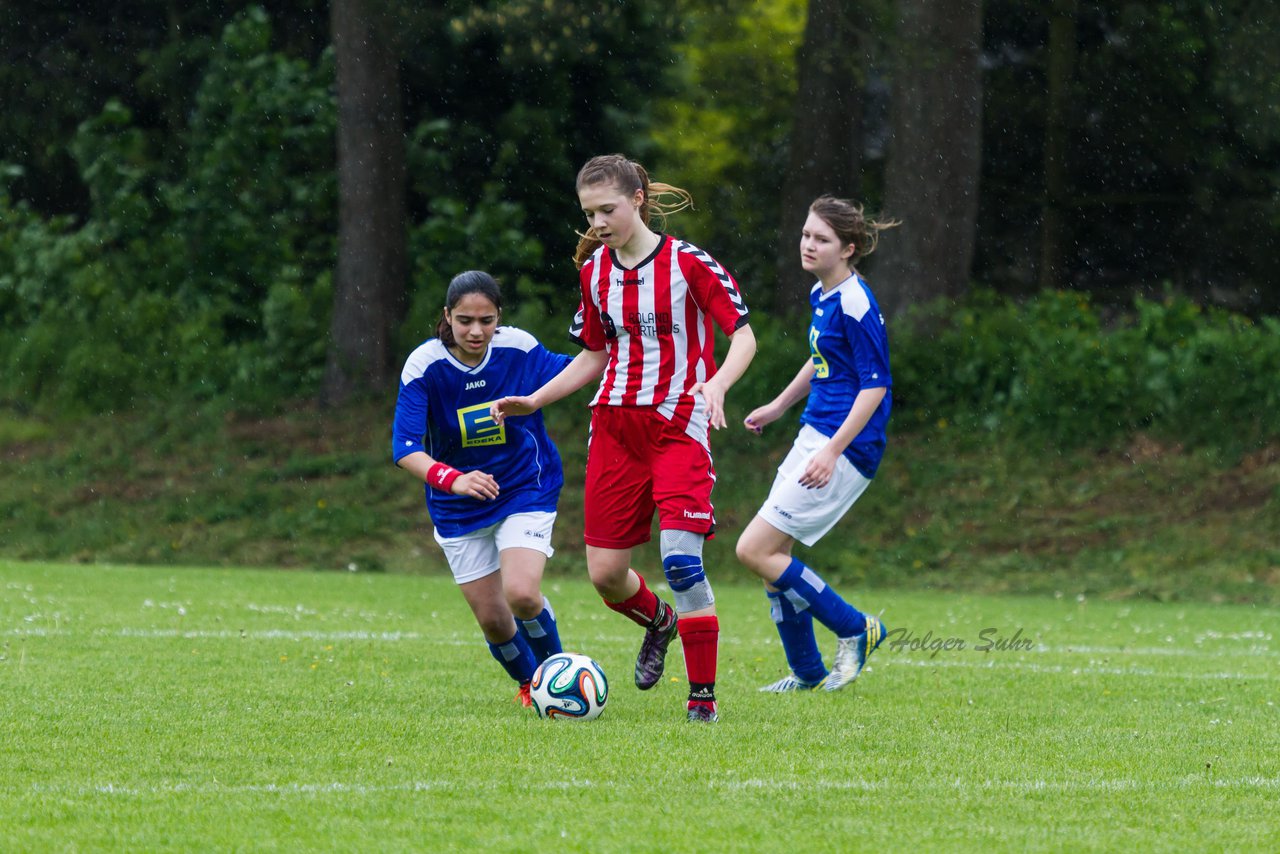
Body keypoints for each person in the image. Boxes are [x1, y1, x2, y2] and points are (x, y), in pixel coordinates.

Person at [491, 154, 756, 723]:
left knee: (681, 561)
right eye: (589, 214)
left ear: (638, 198)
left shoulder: (689, 264)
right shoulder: (595, 274)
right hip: (614, 427)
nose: (598, 223)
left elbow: (743, 336)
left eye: (607, 209)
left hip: (678, 423)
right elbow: (594, 353)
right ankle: (659, 623)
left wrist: (718, 383)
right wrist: (536, 399)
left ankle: (701, 701)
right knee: (606, 576)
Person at [735, 195, 896, 693]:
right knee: (773, 557)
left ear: (848, 248)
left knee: (755, 550)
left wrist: (832, 452)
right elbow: (822, 358)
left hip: (845, 444)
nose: (808, 244)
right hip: (816, 431)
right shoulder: (823, 292)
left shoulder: (855, 301)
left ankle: (856, 627)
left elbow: (875, 385)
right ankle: (807, 673)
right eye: (806, 234)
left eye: (821, 239)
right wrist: (780, 405)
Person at [392, 270, 572, 709]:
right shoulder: (425, 365)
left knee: (523, 594)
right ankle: (533, 685)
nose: (476, 331)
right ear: (447, 317)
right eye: (465, 321)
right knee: (494, 620)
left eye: (487, 320)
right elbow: (405, 447)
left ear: (499, 318)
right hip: (457, 504)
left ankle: (562, 679)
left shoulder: (519, 348)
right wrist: (455, 479)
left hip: (524, 485)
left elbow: (579, 370)